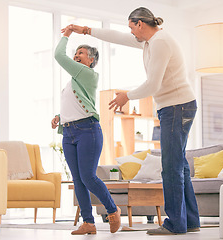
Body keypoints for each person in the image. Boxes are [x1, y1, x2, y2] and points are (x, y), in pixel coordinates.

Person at [65, 6, 200, 235]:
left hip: (176, 106)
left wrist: (126, 95)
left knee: (171, 167)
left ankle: (176, 223)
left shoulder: (160, 42)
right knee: (180, 166)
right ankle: (190, 221)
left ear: (140, 24)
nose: (131, 33)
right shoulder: (150, 41)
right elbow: (117, 38)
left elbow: (153, 85)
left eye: (132, 28)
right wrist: (86, 30)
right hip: (177, 105)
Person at [51, 25, 121, 235]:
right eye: (76, 52)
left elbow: (58, 55)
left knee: (88, 176)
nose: (76, 55)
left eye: (80, 53)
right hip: (70, 132)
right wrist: (59, 117)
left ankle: (112, 210)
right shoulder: (74, 81)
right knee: (78, 178)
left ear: (90, 60)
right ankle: (88, 222)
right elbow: (74, 104)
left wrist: (67, 34)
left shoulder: (88, 74)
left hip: (87, 130)